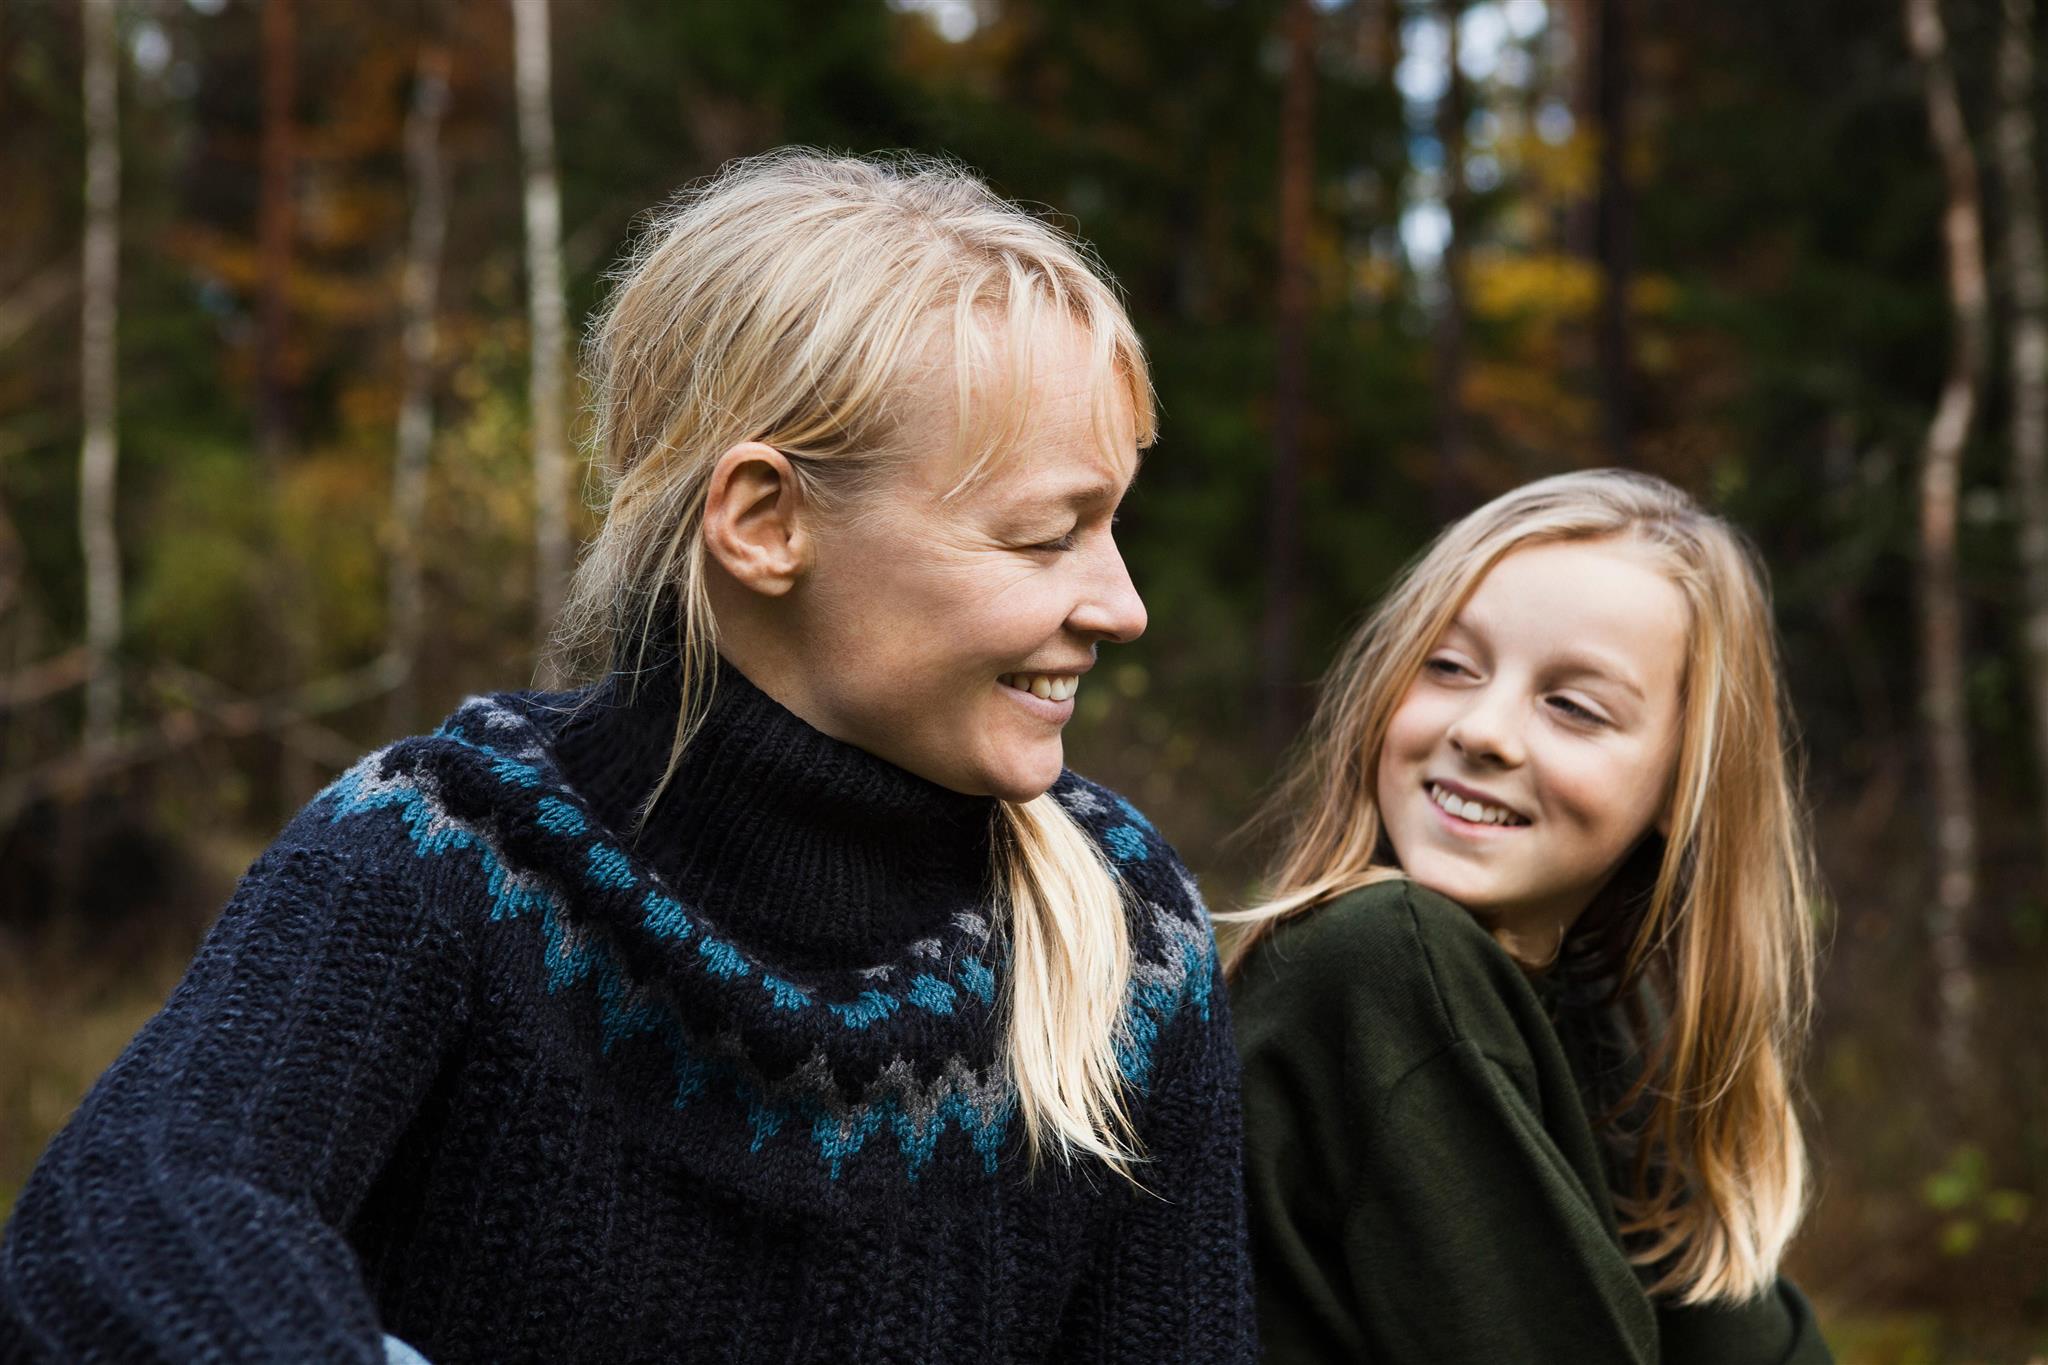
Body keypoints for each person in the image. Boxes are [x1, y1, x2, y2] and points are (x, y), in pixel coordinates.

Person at [0, 151, 1253, 1364]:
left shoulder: (1122, 935)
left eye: (1111, 527)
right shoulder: (451, 848)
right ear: (764, 522)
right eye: (1043, 537)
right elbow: (124, 1228)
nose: (1122, 606)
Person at [1227, 470, 1833, 1363]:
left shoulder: (1610, 1027)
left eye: (1573, 706)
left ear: (1685, 786)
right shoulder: (1382, 957)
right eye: (1448, 665)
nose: (1484, 729)